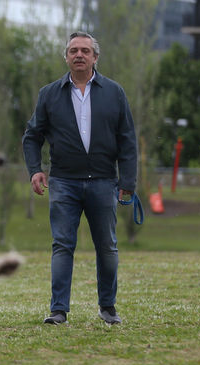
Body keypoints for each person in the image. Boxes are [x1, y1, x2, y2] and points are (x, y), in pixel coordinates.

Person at [22, 31, 138, 325]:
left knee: (107, 247)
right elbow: (32, 136)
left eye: (85, 51)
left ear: (95, 57)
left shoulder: (114, 92)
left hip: (103, 182)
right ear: (66, 57)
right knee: (62, 245)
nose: (79, 55)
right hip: (63, 182)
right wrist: (35, 169)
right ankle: (58, 310)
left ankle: (108, 307)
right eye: (73, 50)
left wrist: (128, 182)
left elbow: (127, 140)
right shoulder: (49, 94)